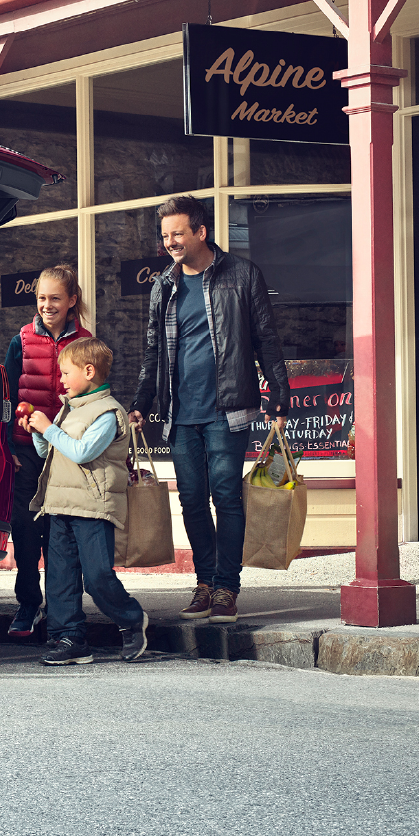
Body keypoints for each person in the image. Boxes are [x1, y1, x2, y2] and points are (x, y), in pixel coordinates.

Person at [132, 195, 290, 626]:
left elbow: (265, 338)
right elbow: (152, 350)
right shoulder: (163, 285)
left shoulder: (242, 275)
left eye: (178, 233)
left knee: (225, 496)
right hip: (181, 413)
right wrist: (141, 402)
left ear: (201, 232)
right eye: (165, 236)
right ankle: (204, 583)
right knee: (192, 501)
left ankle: (226, 588)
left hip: (228, 408)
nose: (170, 242)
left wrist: (280, 391)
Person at [20, 336, 148, 665]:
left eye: (65, 373)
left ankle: (131, 619)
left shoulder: (107, 413)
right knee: (60, 575)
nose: (61, 379)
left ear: (89, 371)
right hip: (59, 503)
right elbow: (52, 453)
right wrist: (39, 434)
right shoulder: (69, 410)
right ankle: (69, 638)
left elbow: (82, 452)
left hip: (93, 506)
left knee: (96, 576)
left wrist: (49, 428)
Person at [0, 264, 91, 639]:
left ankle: (60, 607)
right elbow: (6, 397)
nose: (47, 305)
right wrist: (7, 446)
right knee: (24, 531)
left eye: (55, 298)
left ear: (71, 301)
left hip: (67, 454)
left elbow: (95, 398)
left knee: (60, 534)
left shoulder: (85, 342)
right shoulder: (21, 339)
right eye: (41, 299)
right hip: (26, 452)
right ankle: (26, 603)